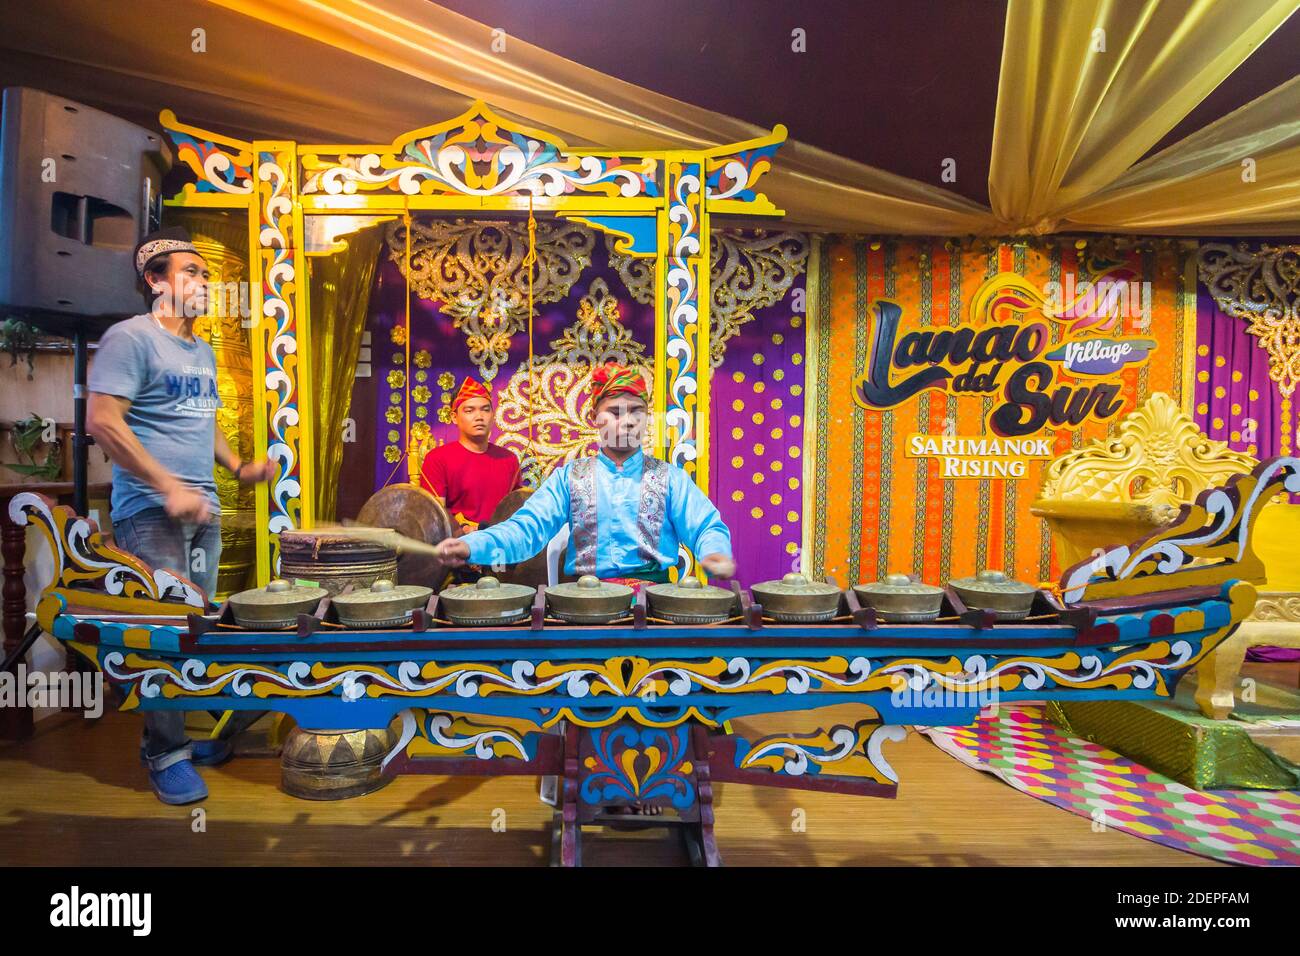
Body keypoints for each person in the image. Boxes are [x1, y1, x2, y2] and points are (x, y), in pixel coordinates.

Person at [86, 226, 275, 805]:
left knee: (197, 625)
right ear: (154, 280)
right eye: (191, 272)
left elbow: (201, 416)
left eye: (205, 274)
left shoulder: (201, 349)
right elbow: (103, 421)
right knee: (165, 633)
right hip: (150, 510)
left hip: (201, 508)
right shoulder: (130, 339)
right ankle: (163, 753)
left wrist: (236, 465)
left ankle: (195, 736)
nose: (203, 283)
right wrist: (167, 486)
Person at [436, 362, 736, 583]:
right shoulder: (570, 477)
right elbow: (525, 530)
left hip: (654, 604)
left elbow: (706, 526)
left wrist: (714, 551)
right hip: (584, 604)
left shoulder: (670, 478)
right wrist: (471, 545)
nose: (628, 421)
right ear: (595, 418)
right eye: (615, 412)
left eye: (636, 412)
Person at [419, 376, 523, 533]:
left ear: (493, 416)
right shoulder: (437, 459)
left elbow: (516, 509)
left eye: (485, 409)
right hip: (459, 545)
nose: (479, 417)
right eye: (469, 410)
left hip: (503, 543)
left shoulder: (509, 459)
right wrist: (466, 530)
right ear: (454, 417)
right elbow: (435, 517)